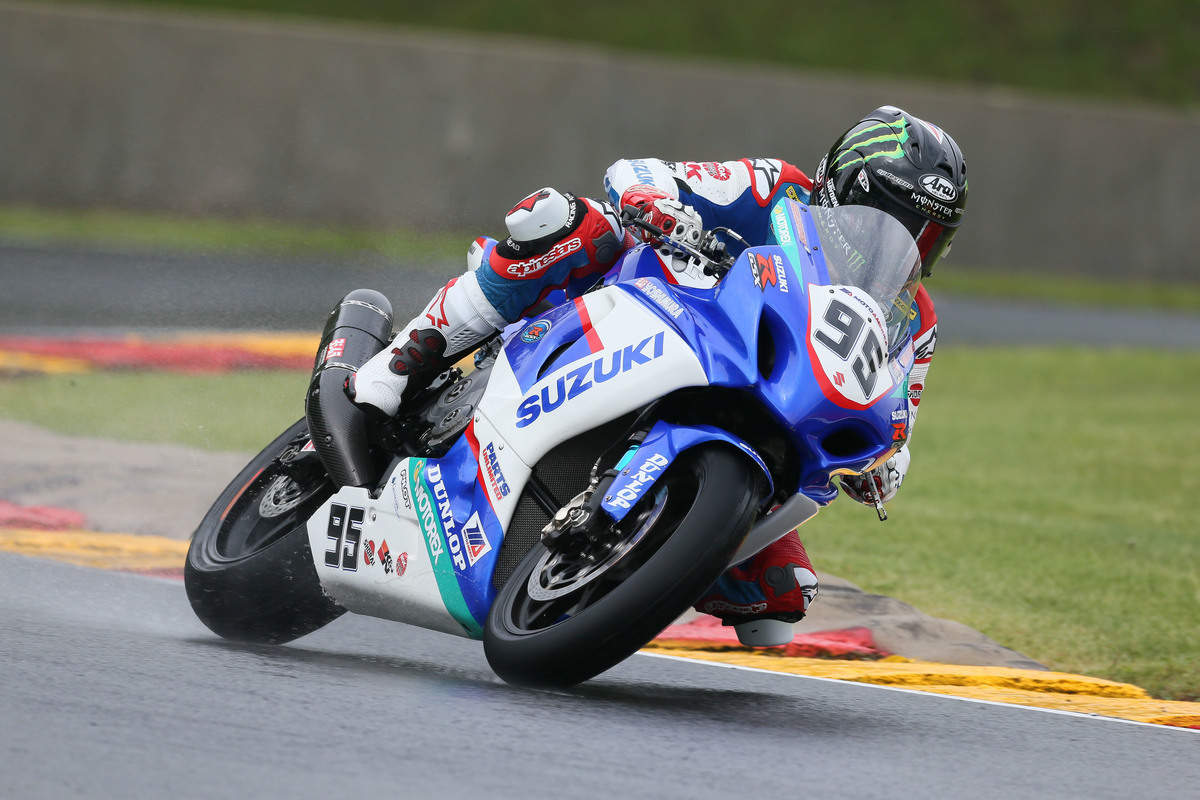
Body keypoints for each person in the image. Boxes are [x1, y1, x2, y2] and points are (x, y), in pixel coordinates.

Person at [350, 106, 968, 642]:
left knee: (781, 597)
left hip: (751, 410)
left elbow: (898, 410)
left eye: (927, 232)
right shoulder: (777, 188)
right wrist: (659, 204)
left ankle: (633, 562)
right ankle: (403, 359)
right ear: (845, 187)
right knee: (566, 223)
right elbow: (637, 173)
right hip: (638, 311)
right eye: (890, 214)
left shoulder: (913, 317)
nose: (909, 241)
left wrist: (885, 463)